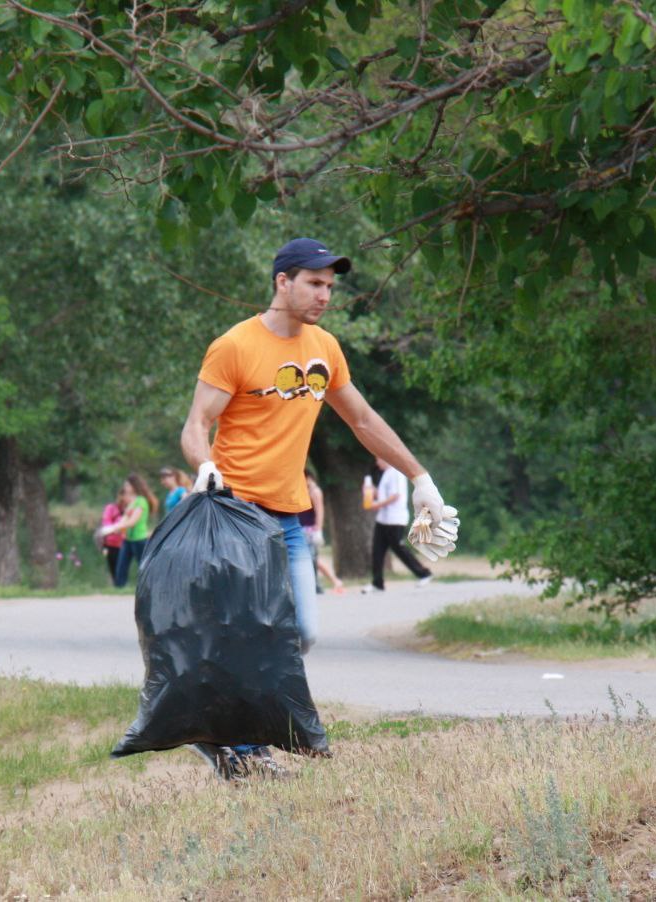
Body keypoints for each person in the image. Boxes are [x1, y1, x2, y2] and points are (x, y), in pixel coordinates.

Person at [179, 237, 460, 779]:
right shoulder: (235, 346)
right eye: (313, 283)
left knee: (301, 632)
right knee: (249, 630)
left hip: (288, 518)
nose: (324, 295)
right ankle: (239, 748)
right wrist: (204, 466)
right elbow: (196, 425)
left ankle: (224, 734)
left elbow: (363, 420)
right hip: (235, 514)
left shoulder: (324, 349)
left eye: (330, 285)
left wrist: (420, 477)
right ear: (282, 281)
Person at [363, 456, 433, 593]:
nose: (377, 463)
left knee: (398, 548)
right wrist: (371, 491)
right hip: (383, 519)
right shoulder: (386, 475)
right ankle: (377, 582)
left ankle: (424, 573)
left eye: (378, 459)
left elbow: (395, 496)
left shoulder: (395, 472)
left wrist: (377, 505)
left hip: (395, 518)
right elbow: (384, 495)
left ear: (385, 459)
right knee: (377, 550)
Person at [99, 473, 158, 588]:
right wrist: (112, 529)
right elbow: (125, 519)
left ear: (134, 485)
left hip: (139, 539)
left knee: (144, 566)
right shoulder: (132, 502)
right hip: (127, 539)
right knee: (121, 566)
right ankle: (119, 588)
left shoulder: (141, 501)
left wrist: (116, 528)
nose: (125, 487)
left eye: (127, 485)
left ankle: (151, 587)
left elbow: (132, 521)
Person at [301, 469, 345, 594]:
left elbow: (320, 511)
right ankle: (332, 581)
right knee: (312, 558)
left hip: (309, 529)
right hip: (302, 528)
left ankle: (328, 581)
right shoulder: (306, 491)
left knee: (312, 558)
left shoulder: (315, 491)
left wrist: (318, 529)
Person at [98, 489, 127, 584]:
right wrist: (116, 528)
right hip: (111, 543)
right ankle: (117, 585)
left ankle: (122, 584)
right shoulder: (111, 508)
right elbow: (106, 522)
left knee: (122, 567)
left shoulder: (130, 509)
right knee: (113, 566)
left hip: (125, 542)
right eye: (122, 495)